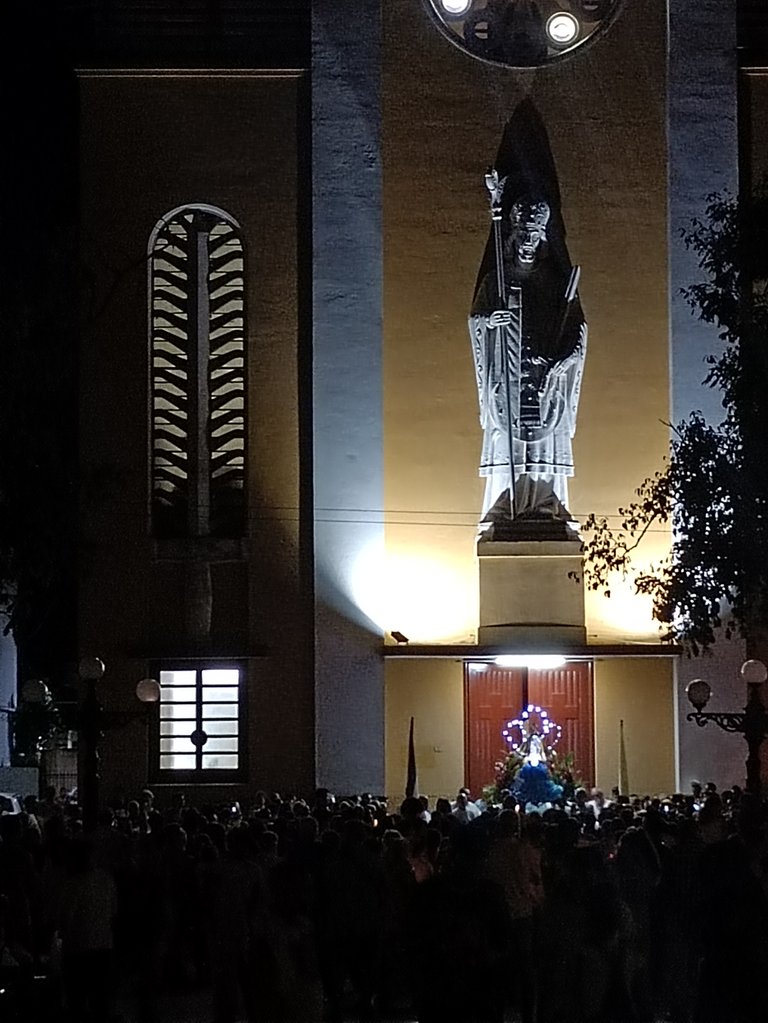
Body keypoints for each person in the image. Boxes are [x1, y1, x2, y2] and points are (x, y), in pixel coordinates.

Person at [469, 193, 587, 525]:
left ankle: (546, 504)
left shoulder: (556, 284)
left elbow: (577, 330)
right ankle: (505, 505)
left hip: (545, 384)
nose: (527, 243)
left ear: (542, 239)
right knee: (507, 441)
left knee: (544, 443)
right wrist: (490, 321)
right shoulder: (498, 281)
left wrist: (561, 362)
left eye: (533, 236)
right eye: (522, 235)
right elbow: (476, 319)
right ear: (512, 237)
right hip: (508, 381)